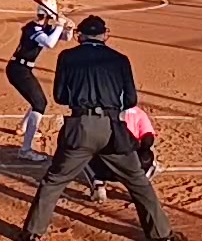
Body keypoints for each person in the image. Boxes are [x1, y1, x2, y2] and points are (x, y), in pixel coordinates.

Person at [17, 16, 182, 241]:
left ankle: (32, 234)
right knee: (137, 181)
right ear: (104, 35)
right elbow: (130, 100)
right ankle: (162, 235)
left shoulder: (67, 57)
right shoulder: (120, 59)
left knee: (53, 182)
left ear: (80, 36)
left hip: (80, 128)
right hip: (112, 129)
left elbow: (60, 96)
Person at [8, 7, 74, 162]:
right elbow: (49, 43)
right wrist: (60, 24)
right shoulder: (32, 29)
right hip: (18, 70)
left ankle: (22, 127)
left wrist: (68, 28)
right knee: (39, 103)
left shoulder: (44, 27)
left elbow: (65, 38)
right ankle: (25, 150)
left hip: (23, 69)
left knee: (36, 99)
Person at [81, 106, 159, 202]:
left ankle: (98, 185)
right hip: (132, 168)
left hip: (105, 168)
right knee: (148, 157)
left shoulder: (100, 111)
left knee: (83, 150)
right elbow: (148, 139)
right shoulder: (139, 113)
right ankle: (139, 189)